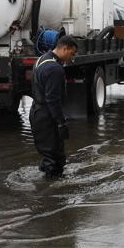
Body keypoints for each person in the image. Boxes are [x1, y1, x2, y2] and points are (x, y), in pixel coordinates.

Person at [30, 35, 78, 178]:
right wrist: (61, 122)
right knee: (55, 159)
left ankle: (44, 183)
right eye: (72, 54)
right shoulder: (55, 69)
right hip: (47, 116)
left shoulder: (41, 59)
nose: (72, 58)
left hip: (36, 113)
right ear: (65, 49)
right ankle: (51, 190)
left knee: (48, 156)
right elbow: (53, 100)